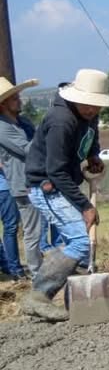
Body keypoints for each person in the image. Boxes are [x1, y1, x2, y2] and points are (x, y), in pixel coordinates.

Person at [19, 69, 109, 321]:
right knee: (81, 241)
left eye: (98, 106)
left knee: (80, 243)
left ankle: (76, 304)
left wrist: (93, 155)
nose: (94, 111)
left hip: (63, 183)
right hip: (46, 186)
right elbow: (55, 170)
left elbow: (91, 137)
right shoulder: (61, 120)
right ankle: (38, 295)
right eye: (90, 105)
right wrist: (85, 206)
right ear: (77, 97)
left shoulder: (89, 112)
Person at [0, 76, 43, 278]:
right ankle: (37, 274)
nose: (20, 100)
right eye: (14, 98)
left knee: (43, 228)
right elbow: (28, 149)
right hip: (23, 184)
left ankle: (49, 267)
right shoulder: (2, 127)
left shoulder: (23, 122)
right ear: (3, 104)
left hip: (38, 179)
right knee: (32, 232)